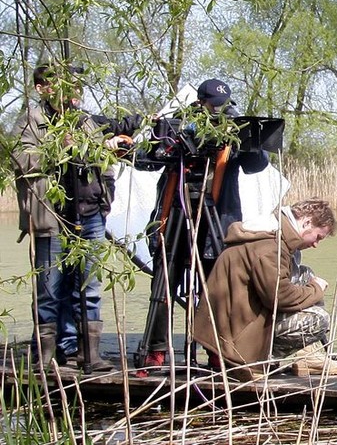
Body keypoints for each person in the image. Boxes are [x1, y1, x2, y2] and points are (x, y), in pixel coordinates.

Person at [135, 78, 269, 376]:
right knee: (164, 284)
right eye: (213, 106)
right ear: (200, 102)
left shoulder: (231, 128)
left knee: (216, 288)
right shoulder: (178, 125)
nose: (217, 111)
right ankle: (155, 351)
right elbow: (143, 159)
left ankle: (217, 352)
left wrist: (245, 134)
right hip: (176, 214)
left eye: (223, 106)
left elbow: (257, 164)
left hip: (216, 222)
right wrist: (165, 139)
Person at [12, 60, 140, 371]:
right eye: (64, 85)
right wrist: (60, 148)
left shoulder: (84, 121)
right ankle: (44, 359)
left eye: (76, 87)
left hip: (90, 214)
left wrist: (105, 190)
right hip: (51, 217)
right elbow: (22, 159)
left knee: (89, 288)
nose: (74, 93)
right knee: (50, 289)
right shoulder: (31, 122)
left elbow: (102, 160)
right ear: (42, 89)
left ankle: (89, 355)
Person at [193, 199, 337, 380]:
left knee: (304, 274)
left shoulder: (268, 232)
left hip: (233, 322)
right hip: (236, 338)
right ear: (307, 222)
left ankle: (309, 356)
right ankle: (253, 361)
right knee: (318, 319)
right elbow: (279, 297)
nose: (316, 244)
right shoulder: (271, 247)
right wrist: (316, 289)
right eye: (318, 237)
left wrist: (310, 285)